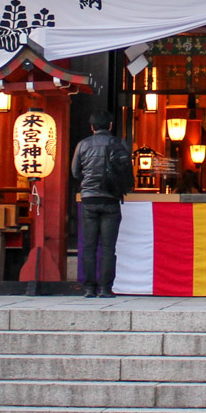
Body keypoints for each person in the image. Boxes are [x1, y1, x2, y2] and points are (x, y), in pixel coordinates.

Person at [68, 111, 131, 297]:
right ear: (111, 125)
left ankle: (89, 288)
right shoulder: (120, 144)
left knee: (89, 246)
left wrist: (88, 183)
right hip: (111, 199)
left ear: (92, 127)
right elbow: (127, 171)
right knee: (108, 248)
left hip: (89, 199)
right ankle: (105, 288)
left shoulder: (83, 144)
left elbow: (75, 172)